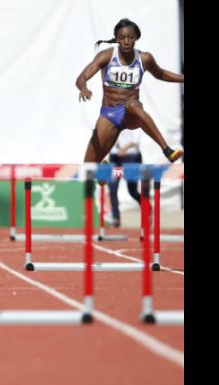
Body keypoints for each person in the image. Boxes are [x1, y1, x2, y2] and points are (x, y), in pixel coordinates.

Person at [75, 18, 184, 164]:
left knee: (132, 105)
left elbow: (161, 74)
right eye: (122, 38)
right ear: (117, 39)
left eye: (130, 37)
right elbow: (81, 77)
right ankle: (104, 173)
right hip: (110, 114)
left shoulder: (144, 58)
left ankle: (167, 150)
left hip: (131, 114)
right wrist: (84, 88)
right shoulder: (106, 56)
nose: (126, 41)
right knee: (88, 165)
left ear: (136, 38)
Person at [107, 128, 143, 228]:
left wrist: (124, 149)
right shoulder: (113, 120)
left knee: (132, 190)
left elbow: (135, 140)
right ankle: (116, 218)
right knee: (113, 187)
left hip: (130, 158)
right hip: (116, 159)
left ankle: (146, 208)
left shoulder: (134, 121)